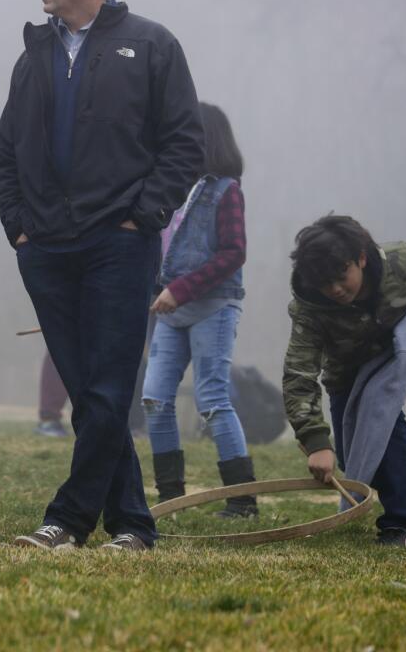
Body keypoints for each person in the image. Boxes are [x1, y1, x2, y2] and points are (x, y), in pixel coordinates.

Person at [0, 0, 204, 551]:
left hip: (119, 244)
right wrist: (19, 226)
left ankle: (69, 518)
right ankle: (135, 524)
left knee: (109, 387)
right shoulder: (32, 54)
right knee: (91, 394)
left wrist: (143, 215)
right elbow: (6, 148)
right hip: (46, 249)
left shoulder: (151, 45)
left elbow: (185, 144)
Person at [283, 215, 406, 546]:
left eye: (342, 277)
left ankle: (403, 524)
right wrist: (315, 441)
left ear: (362, 259)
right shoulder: (309, 308)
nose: (336, 290)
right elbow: (299, 372)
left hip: (396, 358)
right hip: (345, 375)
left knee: (383, 419)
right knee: (356, 453)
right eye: (326, 284)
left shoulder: (405, 261)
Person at [141, 103, 255, 518]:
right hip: (172, 311)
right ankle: (171, 497)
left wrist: (181, 289)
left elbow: (233, 253)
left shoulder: (227, 191)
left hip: (214, 307)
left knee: (212, 399)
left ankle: (242, 500)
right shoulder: (173, 190)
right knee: (154, 398)